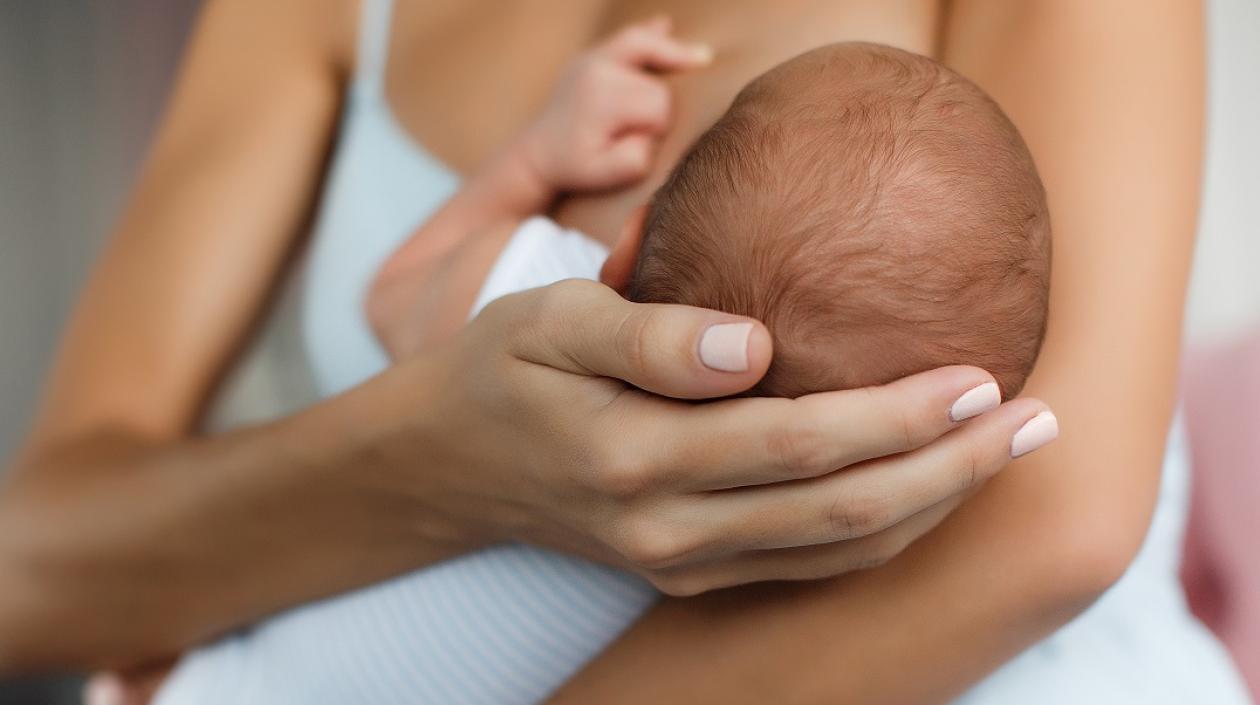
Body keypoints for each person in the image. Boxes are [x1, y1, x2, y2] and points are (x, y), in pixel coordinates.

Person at [0, 0, 1240, 703]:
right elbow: (29, 571)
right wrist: (441, 461)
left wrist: (526, 182)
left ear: (629, 242)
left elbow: (1056, 532)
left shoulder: (529, 294)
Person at [151, 37, 1057, 705]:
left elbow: (393, 296)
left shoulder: (545, 299)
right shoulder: (829, 551)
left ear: (626, 244)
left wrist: (535, 162)